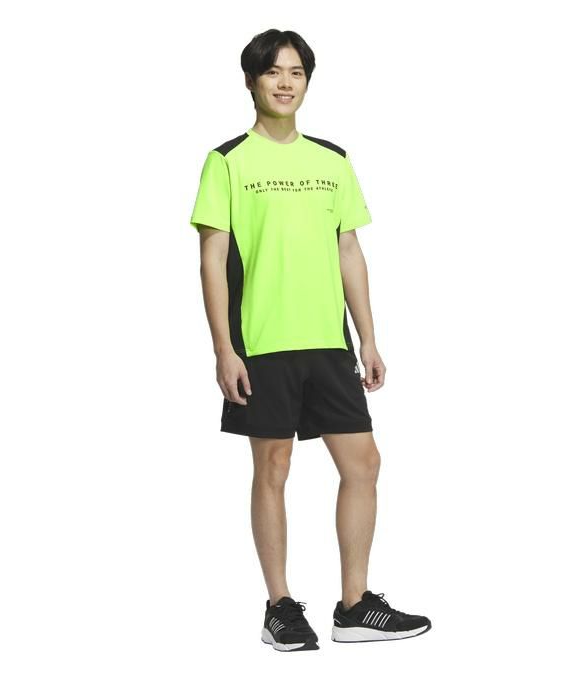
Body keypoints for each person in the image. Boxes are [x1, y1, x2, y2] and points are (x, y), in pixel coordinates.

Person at [189, 28, 432, 652]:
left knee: (364, 463)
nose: (285, 82)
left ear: (307, 82)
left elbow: (349, 250)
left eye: (296, 72)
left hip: (329, 342)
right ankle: (279, 607)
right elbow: (212, 259)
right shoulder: (227, 161)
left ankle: (354, 607)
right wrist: (224, 349)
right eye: (273, 72)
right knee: (273, 466)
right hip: (261, 342)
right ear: (251, 81)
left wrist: (369, 338)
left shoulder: (332, 160)